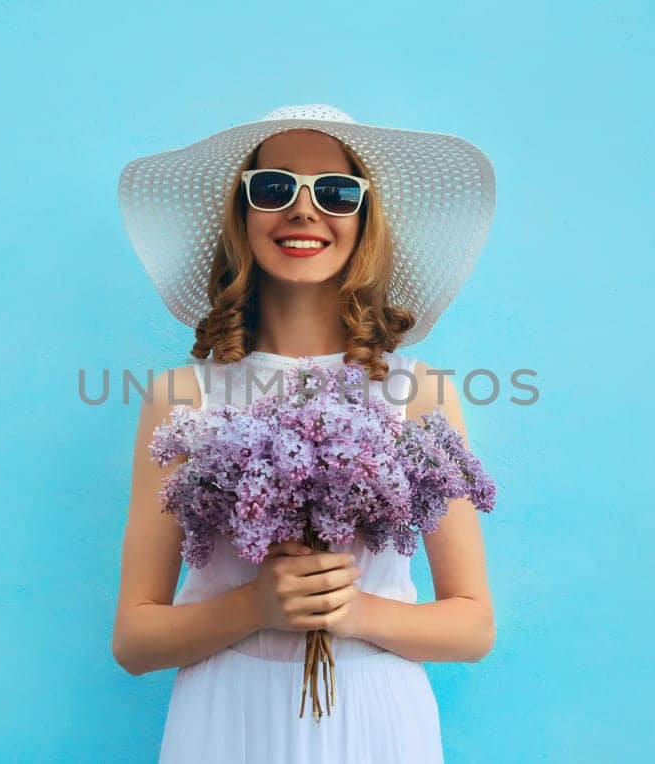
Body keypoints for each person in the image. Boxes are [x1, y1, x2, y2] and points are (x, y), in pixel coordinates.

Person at [111, 104, 497, 763]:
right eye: (274, 188)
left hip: (374, 719)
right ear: (244, 214)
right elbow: (134, 639)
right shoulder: (183, 398)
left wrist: (355, 615)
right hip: (228, 722)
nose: (304, 210)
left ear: (363, 219)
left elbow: (473, 624)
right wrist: (256, 607)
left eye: (336, 192)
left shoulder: (419, 392)